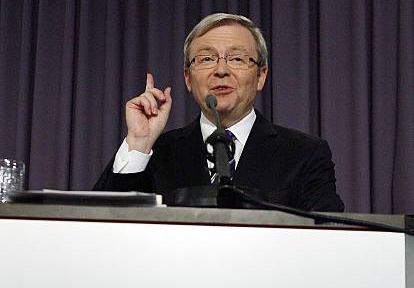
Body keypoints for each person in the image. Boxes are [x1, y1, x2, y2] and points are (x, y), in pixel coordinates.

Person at [93, 13, 344, 212]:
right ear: (188, 78)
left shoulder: (304, 153)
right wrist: (138, 143)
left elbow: (330, 236)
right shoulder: (157, 153)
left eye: (236, 59)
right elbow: (104, 226)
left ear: (261, 76)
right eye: (205, 59)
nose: (221, 70)